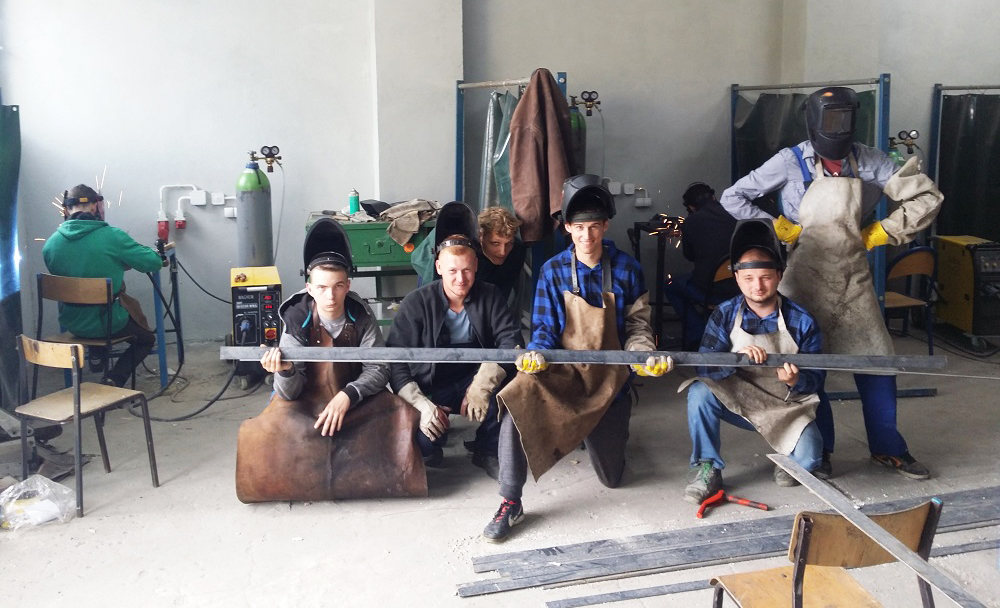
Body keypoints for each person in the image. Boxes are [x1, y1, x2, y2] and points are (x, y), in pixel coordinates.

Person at [719, 86, 943, 480]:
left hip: (852, 277)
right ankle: (818, 451)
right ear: (813, 121)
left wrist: (883, 231)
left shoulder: (870, 159)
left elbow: (927, 197)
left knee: (877, 363)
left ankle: (888, 448)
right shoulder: (789, 161)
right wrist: (778, 227)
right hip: (802, 278)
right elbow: (733, 197)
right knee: (807, 367)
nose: (837, 131)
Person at [484, 174, 672, 543]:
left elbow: (637, 325)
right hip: (564, 374)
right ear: (568, 227)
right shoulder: (553, 271)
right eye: (580, 227)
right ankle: (510, 500)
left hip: (609, 379)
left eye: (594, 226)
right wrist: (537, 353)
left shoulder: (627, 269)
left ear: (606, 226)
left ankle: (597, 432)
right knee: (516, 396)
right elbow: (543, 329)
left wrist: (642, 354)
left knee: (612, 478)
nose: (587, 236)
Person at [235, 217, 425, 502]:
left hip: (354, 398)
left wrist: (348, 395)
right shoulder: (296, 317)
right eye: (322, 287)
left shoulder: (360, 315)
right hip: (304, 398)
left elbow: (378, 367)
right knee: (270, 435)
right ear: (309, 288)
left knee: (405, 423)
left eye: (337, 286)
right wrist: (284, 370)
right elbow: (289, 393)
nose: (331, 296)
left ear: (348, 285)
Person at [682, 219, 825, 503]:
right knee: (699, 392)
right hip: (740, 398)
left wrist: (796, 379)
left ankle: (788, 460)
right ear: (736, 277)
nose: (757, 286)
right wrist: (735, 360)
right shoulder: (725, 314)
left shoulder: (802, 320)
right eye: (748, 278)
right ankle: (708, 467)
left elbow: (818, 378)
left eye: (765, 277)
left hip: (785, 405)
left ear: (779, 275)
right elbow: (704, 366)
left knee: (809, 461)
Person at [386, 201, 523, 480]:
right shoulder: (416, 303)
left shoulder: (491, 296)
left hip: (474, 373)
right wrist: (421, 404)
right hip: (432, 380)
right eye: (452, 271)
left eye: (467, 270)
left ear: (476, 265)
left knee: (514, 387)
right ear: (438, 267)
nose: (461, 279)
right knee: (426, 447)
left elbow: (511, 341)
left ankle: (487, 448)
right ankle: (434, 437)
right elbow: (396, 360)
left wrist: (482, 385)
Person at [42, 184, 162, 387]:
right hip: (109, 324)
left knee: (94, 311)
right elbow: (153, 263)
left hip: (73, 323)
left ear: (66, 210)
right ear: (95, 207)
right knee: (146, 339)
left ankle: (98, 353)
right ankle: (113, 378)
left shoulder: (51, 244)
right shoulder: (112, 236)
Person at [664, 182, 739, 350]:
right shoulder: (735, 213)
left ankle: (698, 333)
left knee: (671, 286)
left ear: (691, 207)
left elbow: (689, 256)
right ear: (714, 197)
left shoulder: (691, 221)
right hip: (740, 286)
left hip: (710, 290)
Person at [476, 206, 527, 304]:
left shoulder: (517, 251)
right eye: (495, 243)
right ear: (481, 237)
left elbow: (504, 292)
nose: (503, 252)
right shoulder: (470, 254)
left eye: (509, 243)